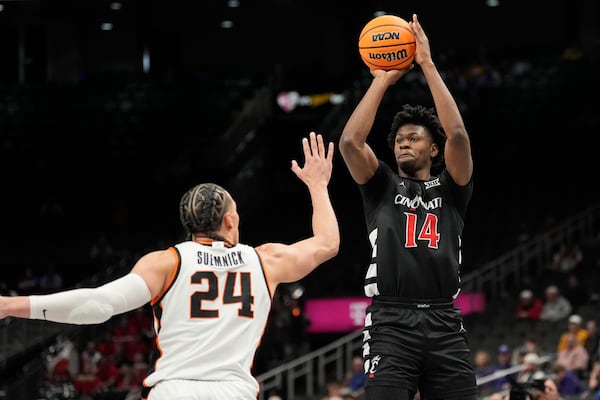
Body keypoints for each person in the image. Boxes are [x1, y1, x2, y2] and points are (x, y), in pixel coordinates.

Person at [0, 132, 340, 400]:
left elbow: (99, 304)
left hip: (173, 390)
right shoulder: (266, 260)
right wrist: (318, 185)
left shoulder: (167, 262)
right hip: (233, 391)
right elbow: (327, 244)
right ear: (231, 219)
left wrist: (10, 305)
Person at [338, 13, 477, 400]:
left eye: (413, 137)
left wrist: (427, 64)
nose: (403, 142)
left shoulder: (452, 188)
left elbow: (459, 134)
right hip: (390, 321)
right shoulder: (380, 184)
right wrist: (382, 78)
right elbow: (350, 142)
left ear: (433, 149)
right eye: (399, 138)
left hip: (444, 319)